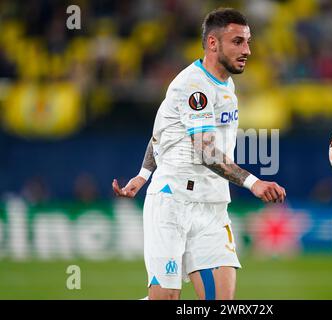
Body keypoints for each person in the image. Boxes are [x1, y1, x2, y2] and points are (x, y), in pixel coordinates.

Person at [112, 8, 286, 300]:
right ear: (213, 43)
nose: (248, 50)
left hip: (213, 205)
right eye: (238, 42)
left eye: (248, 41)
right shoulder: (193, 85)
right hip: (173, 202)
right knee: (166, 298)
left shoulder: (226, 85)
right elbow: (205, 152)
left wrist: (142, 175)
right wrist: (254, 183)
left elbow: (162, 131)